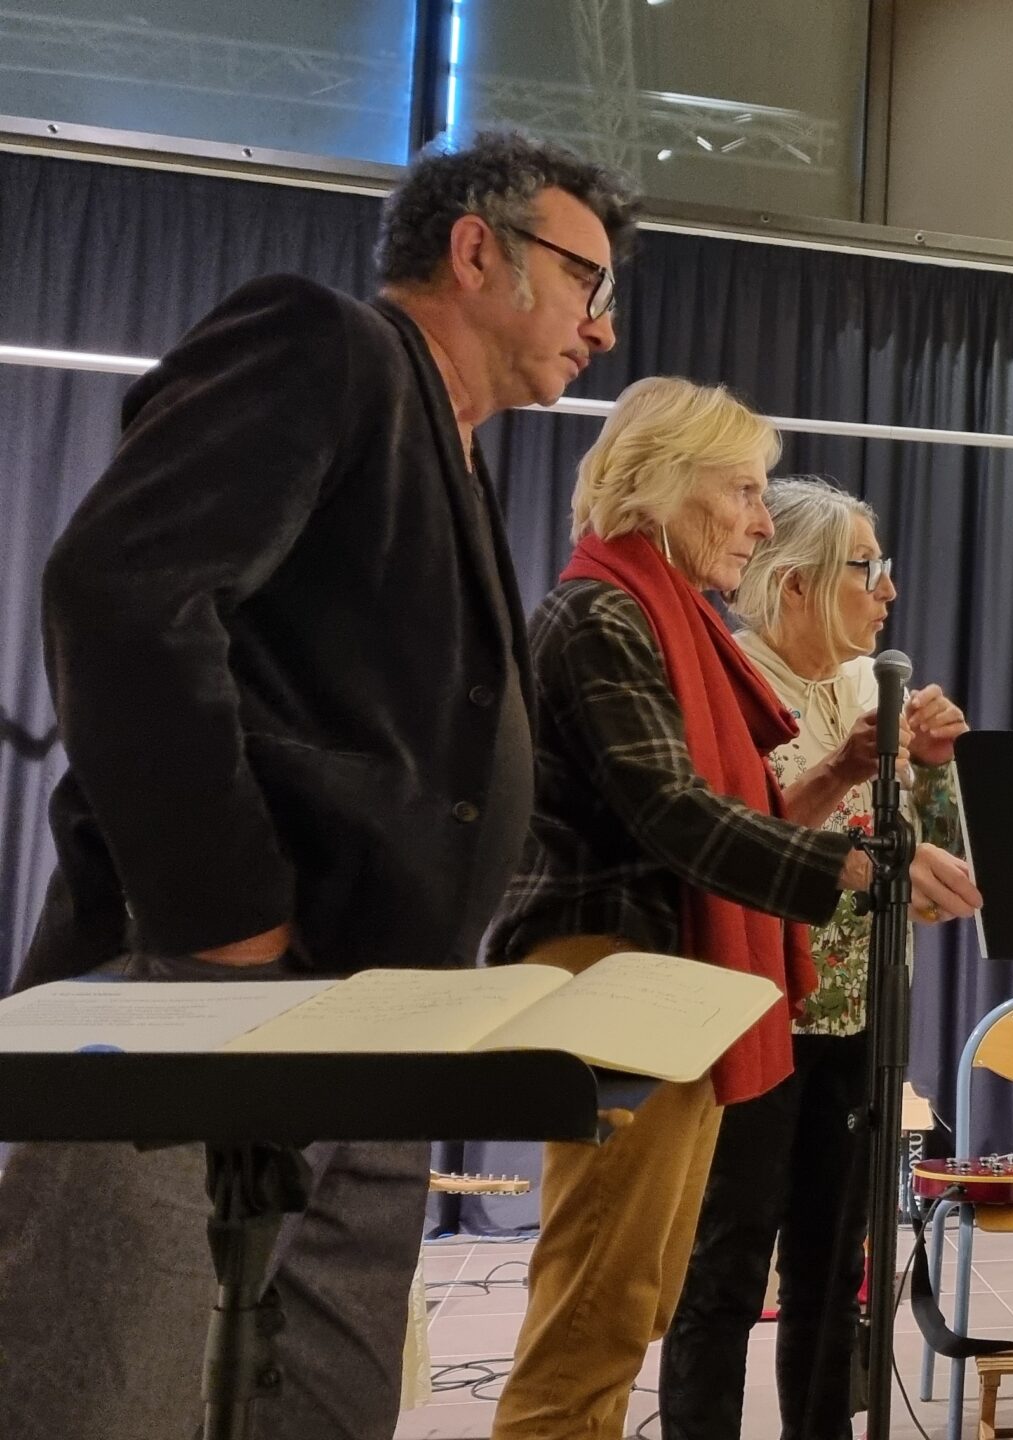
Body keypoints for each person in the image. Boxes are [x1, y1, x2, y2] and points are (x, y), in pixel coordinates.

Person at [0, 131, 634, 1440]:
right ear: (479, 251)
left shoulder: (452, 443)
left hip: (377, 1020)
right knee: (108, 1388)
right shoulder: (322, 344)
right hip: (209, 999)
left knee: (324, 1399)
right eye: (587, 280)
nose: (604, 327)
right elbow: (122, 593)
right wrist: (229, 926)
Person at [484, 379, 980, 1440]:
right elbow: (673, 813)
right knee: (598, 1309)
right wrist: (857, 867)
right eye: (745, 491)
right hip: (623, 970)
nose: (760, 523)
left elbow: (728, 808)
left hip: (675, 981)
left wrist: (853, 799)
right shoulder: (602, 611)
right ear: (663, 486)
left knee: (635, 1300)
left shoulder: (661, 618)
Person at [660, 477, 972, 1440]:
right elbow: (724, 853)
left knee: (837, 1271)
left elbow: (943, 888)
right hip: (753, 1018)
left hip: (863, 1023)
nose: (887, 589)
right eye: (866, 566)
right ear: (794, 585)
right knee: (726, 1264)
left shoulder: (871, 689)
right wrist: (846, 772)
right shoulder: (730, 684)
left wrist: (930, 768)